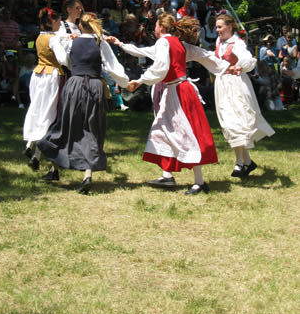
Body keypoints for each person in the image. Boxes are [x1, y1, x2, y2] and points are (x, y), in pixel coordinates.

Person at [108, 13, 231, 194]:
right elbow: (203, 54)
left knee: (185, 134)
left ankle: (199, 182)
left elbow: (160, 67)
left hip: (178, 92)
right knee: (162, 130)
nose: (154, 28)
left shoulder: (165, 43)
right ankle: (167, 175)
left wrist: (140, 81)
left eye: (156, 25)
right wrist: (120, 44)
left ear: (161, 28)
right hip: (180, 90)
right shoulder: (175, 43)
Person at [37, 14, 129, 194]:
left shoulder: (72, 42)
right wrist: (126, 83)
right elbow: (113, 66)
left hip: (74, 84)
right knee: (91, 127)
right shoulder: (100, 43)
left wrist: (66, 38)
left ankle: (54, 169)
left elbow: (64, 60)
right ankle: (87, 175)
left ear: (80, 25)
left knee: (66, 125)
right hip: (94, 86)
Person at [214, 14, 275, 178]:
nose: (217, 30)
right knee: (228, 123)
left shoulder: (237, 43)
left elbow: (248, 59)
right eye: (217, 26)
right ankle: (247, 162)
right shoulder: (219, 42)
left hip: (236, 85)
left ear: (230, 26)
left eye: (220, 27)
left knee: (238, 122)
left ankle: (240, 163)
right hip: (222, 85)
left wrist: (240, 66)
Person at [23, 8, 69, 171]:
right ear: (51, 22)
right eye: (57, 21)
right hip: (51, 77)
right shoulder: (53, 39)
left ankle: (31, 146)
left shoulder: (39, 37)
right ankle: (37, 151)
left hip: (38, 74)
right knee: (50, 115)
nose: (59, 24)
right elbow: (63, 59)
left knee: (37, 109)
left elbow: (55, 38)